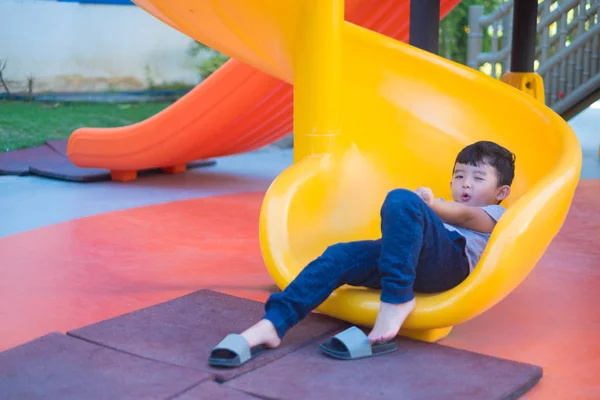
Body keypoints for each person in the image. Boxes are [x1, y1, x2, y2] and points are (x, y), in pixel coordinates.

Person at [209, 140, 515, 366]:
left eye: (478, 178)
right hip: (409, 262)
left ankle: (396, 300)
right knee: (340, 256)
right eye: (460, 176)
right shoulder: (437, 210)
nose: (465, 184)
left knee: (402, 200)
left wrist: (430, 205)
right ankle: (273, 323)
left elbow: (462, 216)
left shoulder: (492, 215)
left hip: (449, 266)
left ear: (501, 193)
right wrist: (426, 207)